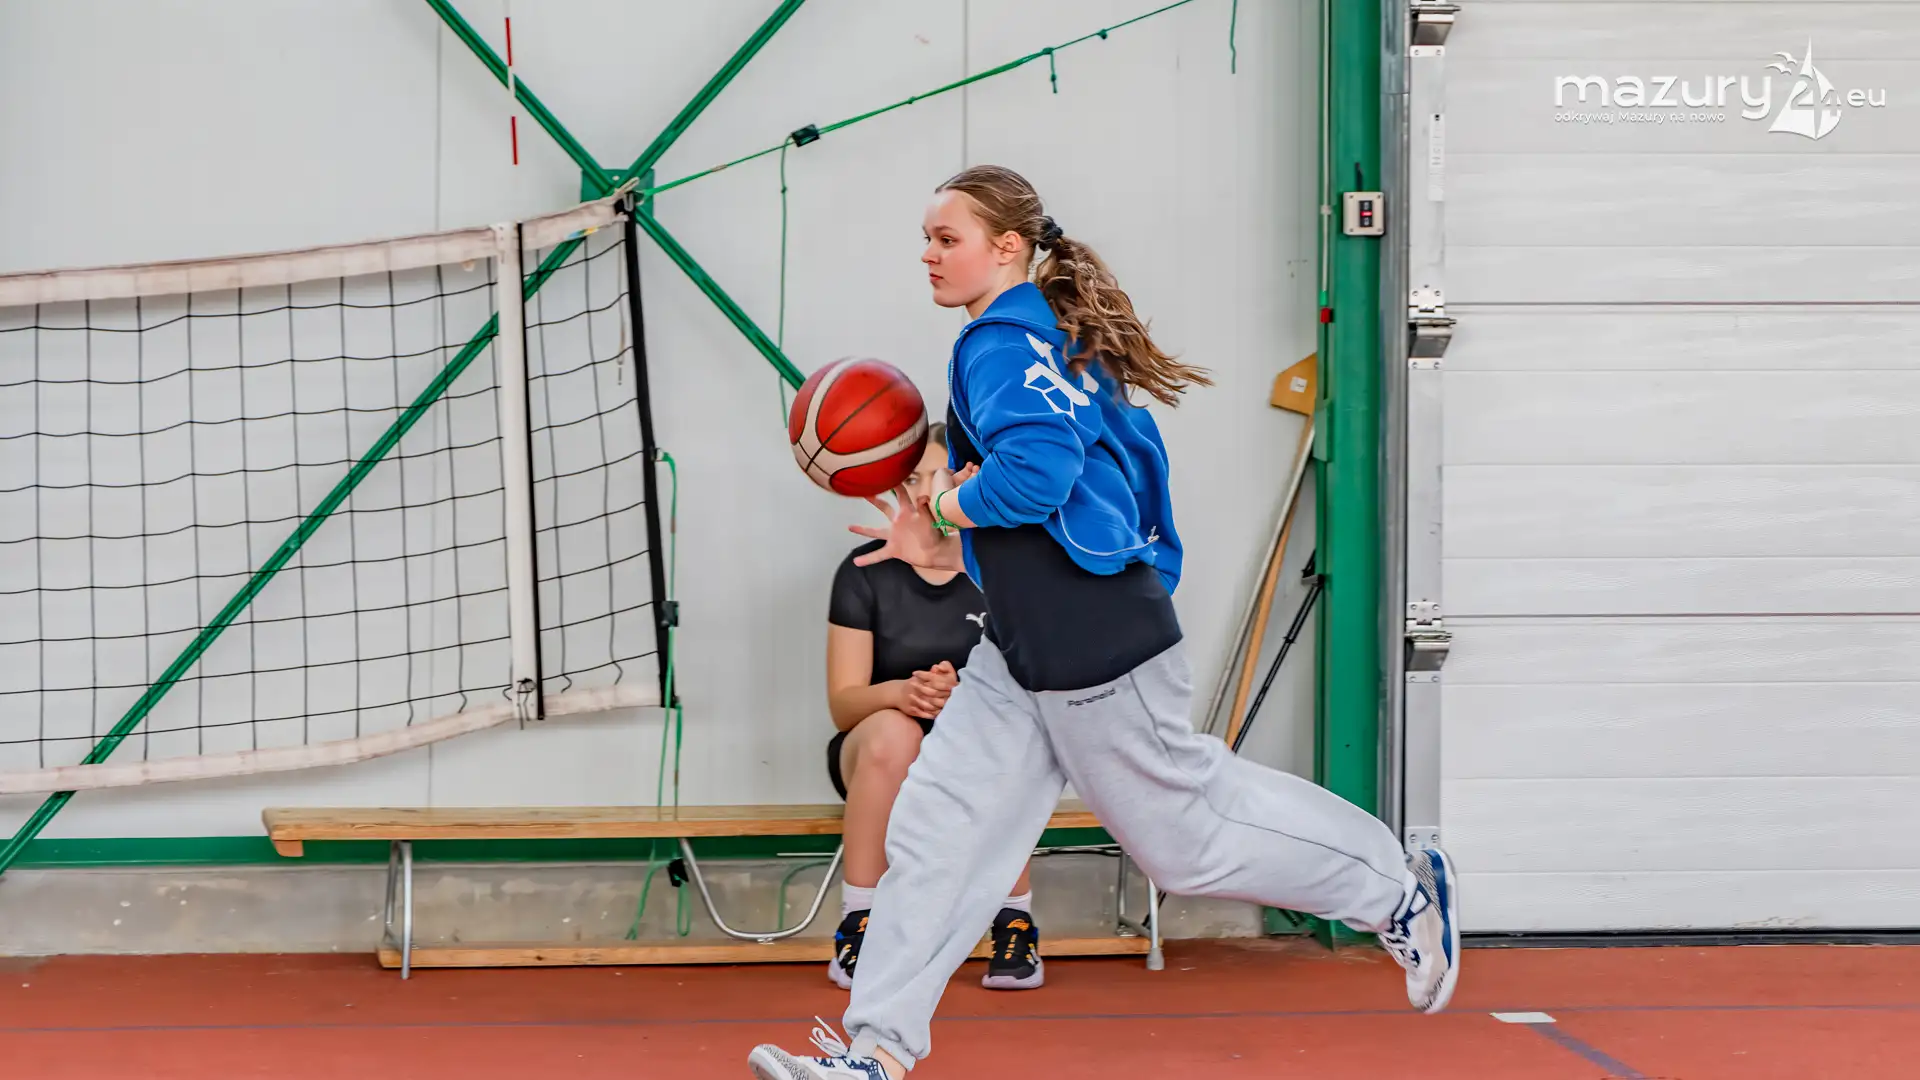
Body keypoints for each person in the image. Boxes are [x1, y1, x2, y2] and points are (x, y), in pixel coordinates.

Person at [748, 165, 1460, 1080]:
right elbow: (1075, 492)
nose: (928, 254)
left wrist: (949, 509)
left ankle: (1399, 890)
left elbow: (1037, 477)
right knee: (939, 832)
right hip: (1022, 646)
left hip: (1091, 642)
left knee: (1186, 843)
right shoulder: (1043, 332)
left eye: (947, 238)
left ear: (1008, 247)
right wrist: (944, 539)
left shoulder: (999, 344)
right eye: (926, 239)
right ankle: (876, 1052)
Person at [823, 421, 1044, 993]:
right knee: (895, 734)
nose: (921, 492)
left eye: (935, 477)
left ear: (964, 483)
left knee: (1001, 732)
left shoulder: (997, 569)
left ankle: (1013, 919)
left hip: (970, 746)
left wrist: (963, 695)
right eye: (910, 479)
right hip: (878, 753)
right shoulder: (864, 570)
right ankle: (860, 924)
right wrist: (903, 693)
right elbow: (843, 706)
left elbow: (1036, 683)